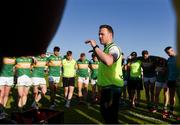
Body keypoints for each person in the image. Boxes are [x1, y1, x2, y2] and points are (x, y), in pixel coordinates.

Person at [85, 24, 124, 123]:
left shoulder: (114, 48)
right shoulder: (106, 49)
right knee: (107, 115)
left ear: (110, 35)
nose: (99, 36)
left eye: (102, 34)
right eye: (99, 34)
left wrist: (95, 46)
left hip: (112, 87)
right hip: (107, 87)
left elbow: (109, 61)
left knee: (110, 117)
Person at [164, 46, 177, 118]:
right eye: (167, 53)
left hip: (177, 80)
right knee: (172, 96)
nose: (168, 54)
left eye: (169, 52)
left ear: (172, 50)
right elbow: (168, 70)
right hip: (170, 80)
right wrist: (166, 79)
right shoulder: (168, 59)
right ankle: (171, 111)